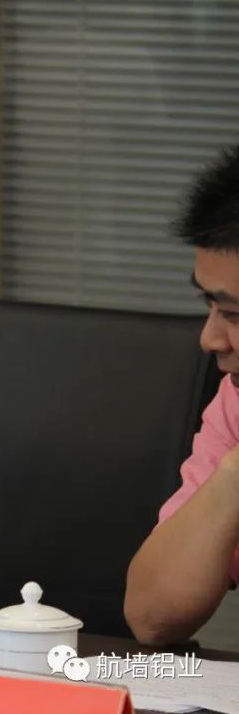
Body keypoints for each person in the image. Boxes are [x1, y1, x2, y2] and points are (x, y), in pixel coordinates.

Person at [125, 145, 239, 644]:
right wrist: (234, 472)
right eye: (211, 306)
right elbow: (153, 616)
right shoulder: (235, 403)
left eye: (233, 315)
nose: (211, 339)